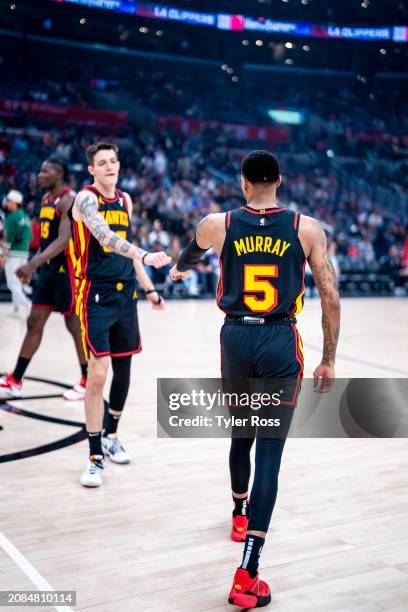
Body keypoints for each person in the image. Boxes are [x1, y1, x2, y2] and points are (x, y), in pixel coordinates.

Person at [170, 150, 340, 609]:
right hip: (280, 342)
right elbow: (330, 298)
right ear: (278, 181)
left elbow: (189, 252)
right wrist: (328, 358)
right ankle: (248, 572)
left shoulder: (217, 223)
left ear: (244, 183)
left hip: (235, 340)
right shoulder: (306, 228)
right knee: (270, 452)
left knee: (240, 431)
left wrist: (181, 267)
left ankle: (238, 513)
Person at [70, 141, 170, 487]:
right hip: (95, 296)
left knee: (124, 370)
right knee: (98, 376)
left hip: (126, 296)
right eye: (102, 162)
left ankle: (111, 435)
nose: (110, 166)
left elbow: (127, 255)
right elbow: (106, 238)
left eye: (113, 160)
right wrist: (145, 254)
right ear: (92, 170)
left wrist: (150, 289)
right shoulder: (84, 200)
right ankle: (95, 456)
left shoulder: (125, 200)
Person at [0, 159, 88, 401]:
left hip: (67, 271)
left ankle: (87, 380)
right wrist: (32, 266)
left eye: (45, 171)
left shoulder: (69, 200)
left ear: (59, 175)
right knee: (34, 322)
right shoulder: (46, 200)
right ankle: (15, 380)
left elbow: (64, 240)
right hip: (48, 271)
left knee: (74, 326)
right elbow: (48, 243)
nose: (39, 175)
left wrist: (32, 263)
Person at [3, 190, 32, 318]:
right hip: (24, 253)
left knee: (12, 283)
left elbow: (8, 239)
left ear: (15, 203)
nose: (7, 203)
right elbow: (30, 237)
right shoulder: (26, 217)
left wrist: (3, 255)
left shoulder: (11, 218)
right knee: (18, 283)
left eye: (9, 201)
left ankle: (27, 304)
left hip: (13, 254)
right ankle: (16, 309)